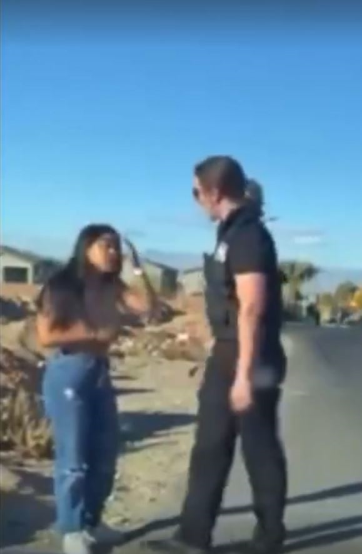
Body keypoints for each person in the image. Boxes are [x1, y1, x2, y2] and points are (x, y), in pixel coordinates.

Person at [148, 156, 287, 554]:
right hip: (228, 353)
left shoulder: (248, 237)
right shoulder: (230, 234)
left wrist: (244, 373)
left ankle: (269, 539)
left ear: (213, 192)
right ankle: (192, 537)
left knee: (259, 448)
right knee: (209, 445)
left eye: (195, 192)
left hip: (250, 357)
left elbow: (253, 308)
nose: (194, 201)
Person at [36, 224, 157, 554]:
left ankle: (92, 521)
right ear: (86, 247)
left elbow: (148, 309)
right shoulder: (62, 285)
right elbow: (45, 336)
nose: (114, 251)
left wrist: (137, 268)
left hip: (99, 372)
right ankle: (71, 530)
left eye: (117, 246)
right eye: (107, 245)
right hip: (68, 371)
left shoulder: (113, 286)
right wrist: (93, 335)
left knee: (105, 453)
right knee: (73, 457)